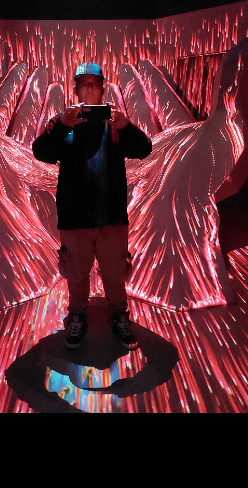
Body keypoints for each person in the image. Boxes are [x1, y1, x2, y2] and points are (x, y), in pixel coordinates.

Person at [32, 63, 152, 350]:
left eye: (94, 83)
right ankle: (77, 316)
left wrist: (126, 126)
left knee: (115, 272)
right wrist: (62, 126)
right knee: (76, 272)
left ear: (102, 87)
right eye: (83, 83)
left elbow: (144, 149)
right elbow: (41, 152)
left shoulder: (115, 121)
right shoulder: (64, 121)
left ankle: (119, 316)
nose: (88, 88)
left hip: (111, 214)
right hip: (75, 215)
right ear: (75, 89)